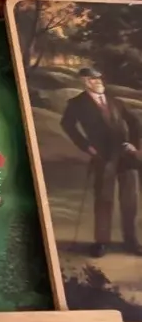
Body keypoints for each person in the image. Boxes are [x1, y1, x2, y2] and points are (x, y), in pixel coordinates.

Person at [60, 67, 142, 258]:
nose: (98, 82)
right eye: (93, 79)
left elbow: (135, 122)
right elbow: (67, 125)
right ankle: (101, 242)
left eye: (99, 78)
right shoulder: (77, 103)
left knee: (130, 200)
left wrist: (134, 145)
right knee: (104, 200)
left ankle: (131, 242)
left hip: (125, 155)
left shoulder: (114, 100)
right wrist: (87, 147)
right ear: (84, 81)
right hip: (102, 157)